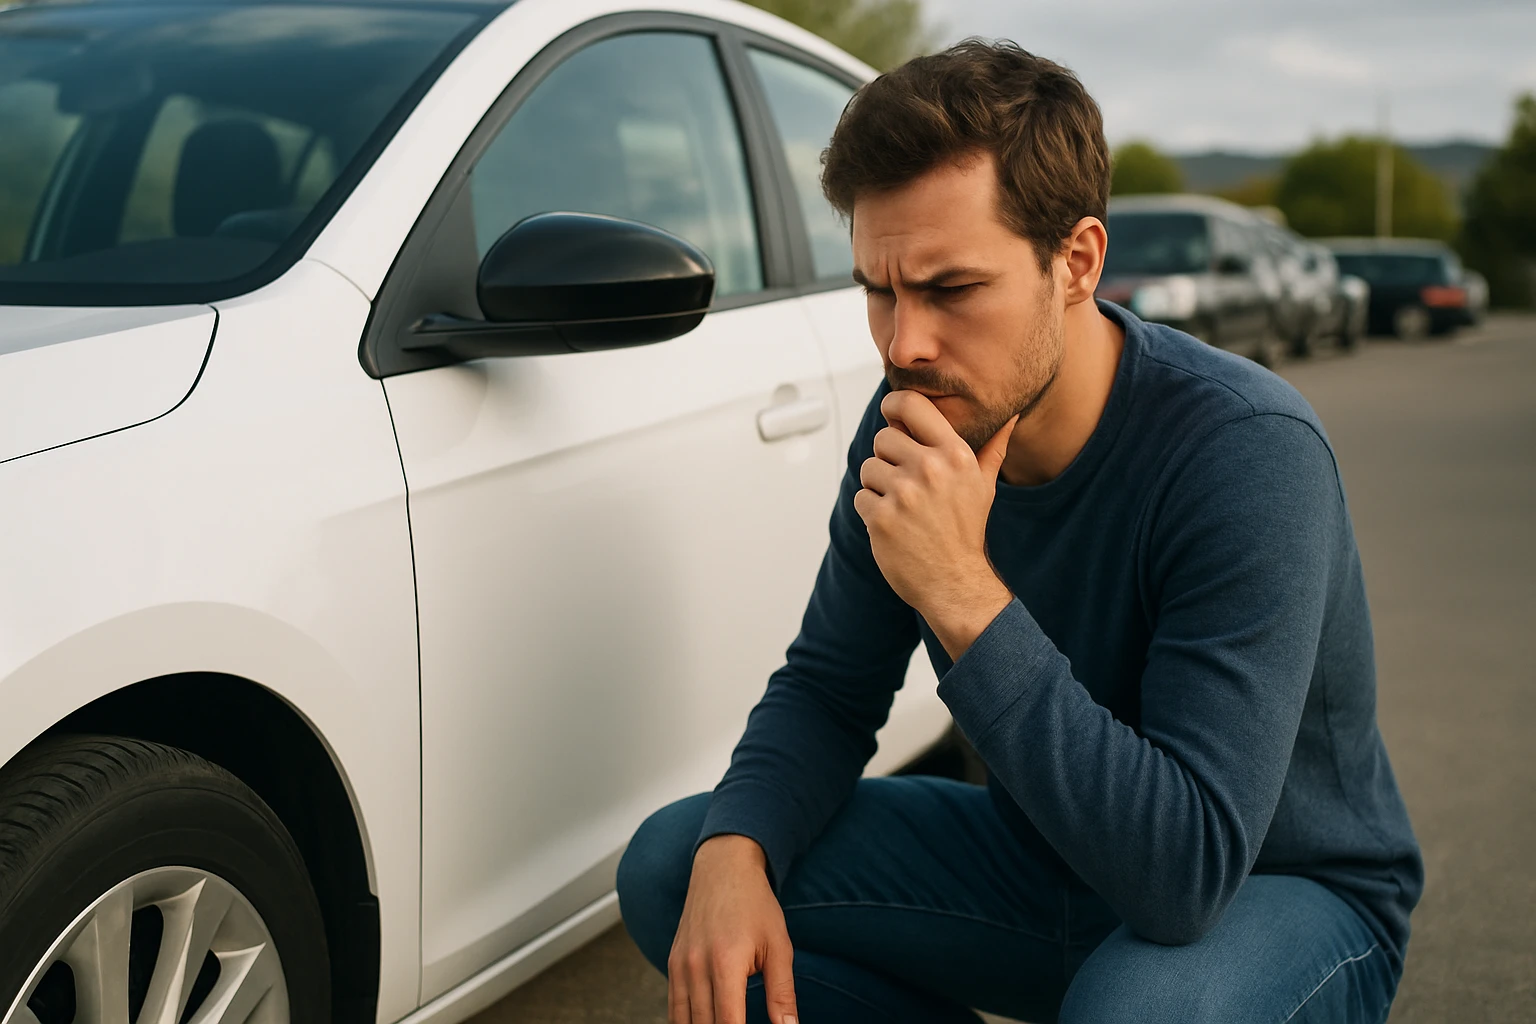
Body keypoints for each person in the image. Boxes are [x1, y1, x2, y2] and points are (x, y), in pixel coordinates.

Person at [616, 39, 1422, 1024]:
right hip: (1047, 863)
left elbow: (1185, 871)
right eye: (880, 288)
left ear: (1076, 261)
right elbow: (830, 690)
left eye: (951, 289)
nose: (904, 342)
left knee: (1137, 1009)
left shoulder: (1246, 451)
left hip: (1276, 890)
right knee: (680, 866)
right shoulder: (913, 417)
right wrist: (736, 848)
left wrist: (960, 589)